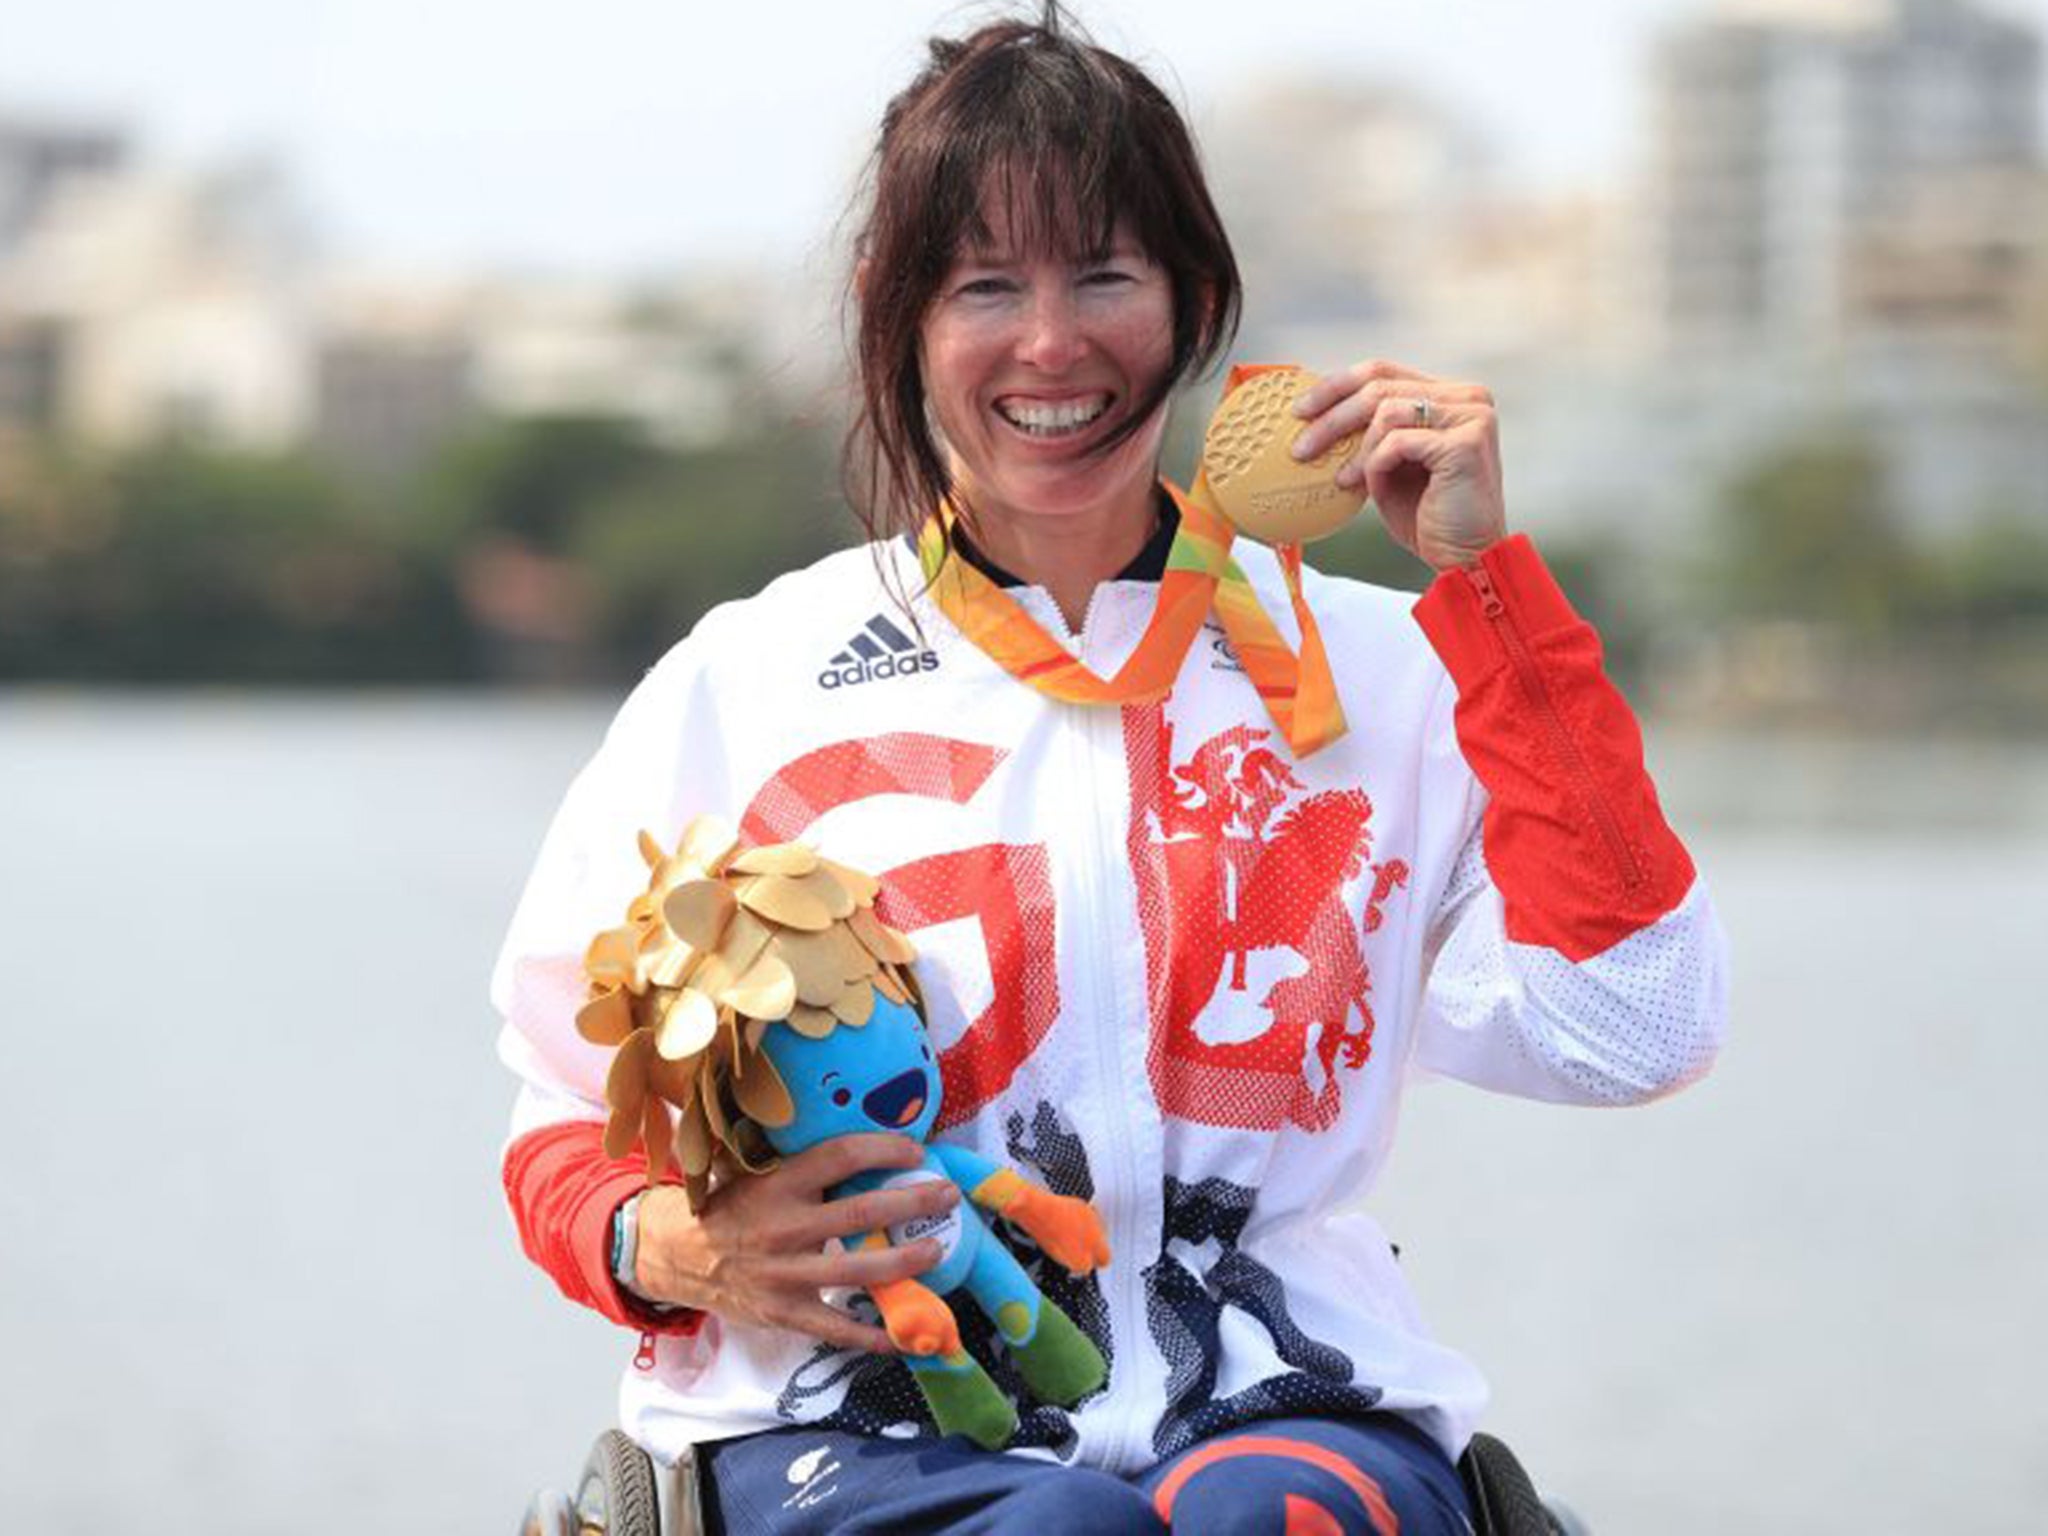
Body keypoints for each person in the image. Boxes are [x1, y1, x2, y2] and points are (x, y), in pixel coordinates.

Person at [493, 9, 1727, 1533]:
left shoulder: (1391, 669)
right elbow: (559, 1110)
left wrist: (1488, 597)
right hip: (860, 1415)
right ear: (897, 312)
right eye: (986, 286)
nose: (1052, 344)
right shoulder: (747, 682)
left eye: (1106, 275)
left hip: (1285, 1393)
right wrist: (678, 1248)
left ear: (1197, 299)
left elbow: (1639, 1026)